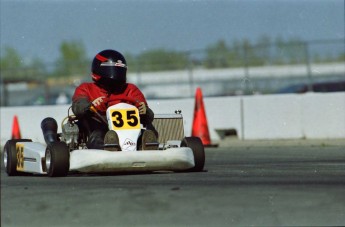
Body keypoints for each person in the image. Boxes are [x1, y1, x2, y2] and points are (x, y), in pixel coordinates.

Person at [71, 49, 158, 151]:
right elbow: (78, 106)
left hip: (130, 132)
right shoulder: (86, 88)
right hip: (99, 127)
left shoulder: (130, 89)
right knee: (98, 136)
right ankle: (109, 147)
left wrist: (145, 112)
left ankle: (146, 145)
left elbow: (149, 116)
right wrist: (90, 106)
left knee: (145, 133)